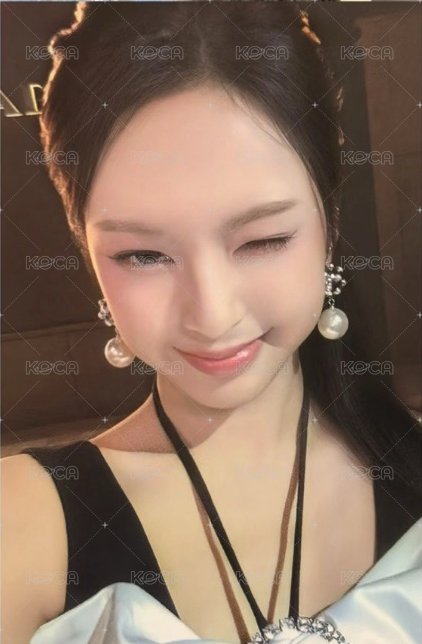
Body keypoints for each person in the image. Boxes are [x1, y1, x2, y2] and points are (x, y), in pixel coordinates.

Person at [2, 2, 421, 643]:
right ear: (86, 251)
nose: (212, 314)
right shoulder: (26, 523)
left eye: (262, 240)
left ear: (330, 223)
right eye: (143, 255)